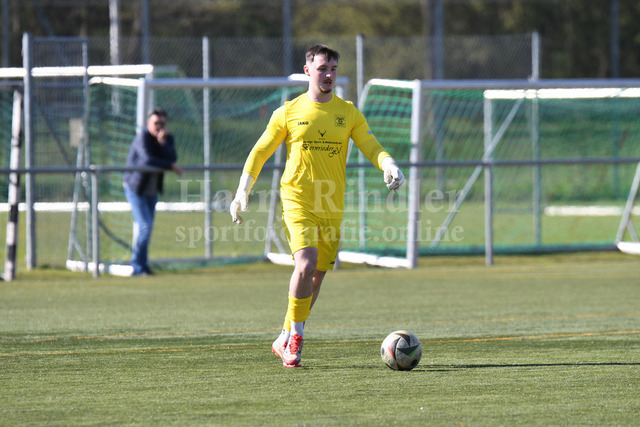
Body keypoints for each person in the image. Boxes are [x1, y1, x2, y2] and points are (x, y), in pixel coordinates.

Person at [229, 44, 405, 367]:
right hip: (297, 200)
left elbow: (371, 146)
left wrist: (388, 163)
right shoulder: (288, 112)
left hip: (331, 205)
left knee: (315, 279)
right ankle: (296, 339)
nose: (328, 75)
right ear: (308, 70)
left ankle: (284, 336)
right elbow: (260, 151)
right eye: (322, 68)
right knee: (306, 264)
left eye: (333, 69)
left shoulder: (348, 113)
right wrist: (243, 189)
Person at [123, 108, 182, 276]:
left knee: (147, 229)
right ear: (148, 123)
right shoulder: (142, 137)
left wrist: (162, 143)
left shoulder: (167, 139)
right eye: (156, 123)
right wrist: (169, 166)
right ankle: (137, 265)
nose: (159, 126)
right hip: (136, 189)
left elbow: (172, 158)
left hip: (152, 190)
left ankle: (143, 266)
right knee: (145, 226)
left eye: (162, 123)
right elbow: (147, 159)